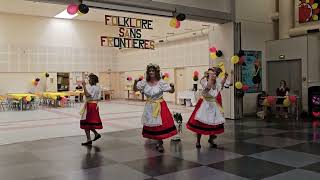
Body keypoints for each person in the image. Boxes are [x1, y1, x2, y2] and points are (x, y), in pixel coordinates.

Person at [136, 64, 177, 152]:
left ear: (156, 72)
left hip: (160, 105)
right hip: (149, 106)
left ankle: (160, 143)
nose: (151, 72)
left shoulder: (161, 82)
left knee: (160, 125)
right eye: (150, 71)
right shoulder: (144, 82)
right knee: (153, 125)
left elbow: (171, 91)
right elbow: (136, 88)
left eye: (153, 71)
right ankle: (157, 140)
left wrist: (172, 86)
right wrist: (136, 82)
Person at [187, 67, 225, 148]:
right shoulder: (204, 81)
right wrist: (210, 79)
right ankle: (198, 141)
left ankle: (211, 139)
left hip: (213, 105)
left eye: (216, 74)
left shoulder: (217, 83)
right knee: (200, 123)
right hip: (205, 104)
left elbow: (221, 86)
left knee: (213, 123)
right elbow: (206, 91)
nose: (215, 75)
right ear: (209, 74)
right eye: (213, 73)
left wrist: (226, 77)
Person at [80, 74, 102, 146]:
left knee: (85, 122)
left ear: (92, 80)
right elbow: (99, 98)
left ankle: (90, 138)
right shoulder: (98, 87)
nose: (88, 80)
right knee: (88, 122)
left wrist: (84, 86)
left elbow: (88, 95)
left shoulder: (92, 88)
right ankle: (94, 135)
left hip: (90, 106)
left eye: (89, 79)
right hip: (94, 105)